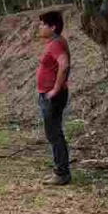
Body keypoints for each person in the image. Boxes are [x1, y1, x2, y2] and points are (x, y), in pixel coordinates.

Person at [36, 10, 71, 186]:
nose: (40, 27)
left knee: (54, 134)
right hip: (49, 95)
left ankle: (61, 173)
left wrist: (55, 89)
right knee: (54, 133)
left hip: (53, 97)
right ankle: (61, 170)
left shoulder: (56, 44)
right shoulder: (55, 42)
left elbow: (64, 65)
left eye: (43, 24)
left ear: (53, 27)